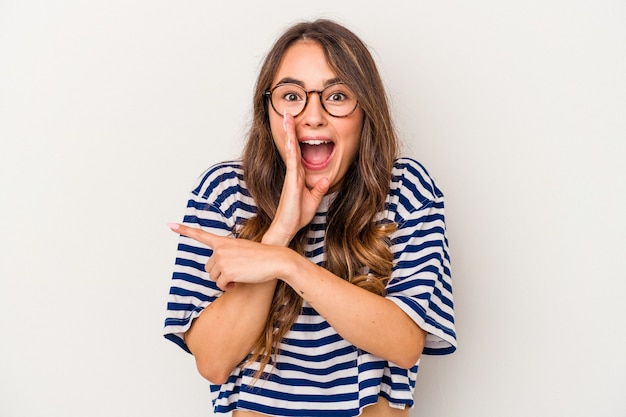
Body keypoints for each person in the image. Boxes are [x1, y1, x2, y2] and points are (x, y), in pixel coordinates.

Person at [164, 19, 456, 417]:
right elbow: (213, 362)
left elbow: (404, 343)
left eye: (336, 96)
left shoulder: (406, 190)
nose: (312, 116)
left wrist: (286, 264)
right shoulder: (225, 193)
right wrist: (280, 233)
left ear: (365, 109)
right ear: (266, 108)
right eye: (291, 96)